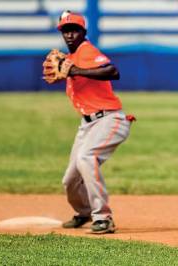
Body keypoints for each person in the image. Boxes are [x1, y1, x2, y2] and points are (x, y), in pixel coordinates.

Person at [52, 11, 134, 234]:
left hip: (110, 119)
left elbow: (112, 71)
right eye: (65, 30)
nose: (69, 35)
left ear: (83, 32)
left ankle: (103, 217)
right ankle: (84, 211)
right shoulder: (70, 58)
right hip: (87, 124)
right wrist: (68, 70)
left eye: (74, 30)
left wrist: (75, 70)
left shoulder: (86, 51)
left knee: (86, 158)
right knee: (70, 179)